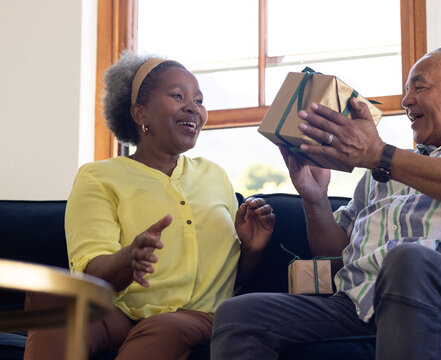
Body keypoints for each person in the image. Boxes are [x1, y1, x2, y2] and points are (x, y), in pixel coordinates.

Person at [210, 47, 441, 360]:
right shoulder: (383, 171)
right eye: (406, 91)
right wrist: (314, 197)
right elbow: (334, 249)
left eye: (419, 88)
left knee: (409, 262)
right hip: (362, 300)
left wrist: (381, 154)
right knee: (239, 315)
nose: (406, 101)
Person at [24, 51, 275, 360]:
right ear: (140, 114)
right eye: (178, 95)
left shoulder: (215, 176)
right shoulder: (98, 177)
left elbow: (231, 282)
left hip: (194, 315)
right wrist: (128, 258)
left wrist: (251, 250)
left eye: (199, 100)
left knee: (163, 327)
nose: (193, 108)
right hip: (116, 311)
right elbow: (90, 273)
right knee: (52, 302)